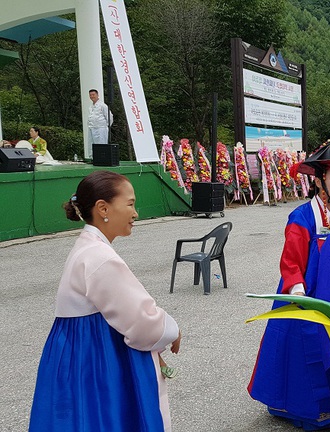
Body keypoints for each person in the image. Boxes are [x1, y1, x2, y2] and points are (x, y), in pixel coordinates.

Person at [29, 171, 181, 431]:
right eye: (130, 204)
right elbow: (140, 319)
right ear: (103, 208)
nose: (135, 213)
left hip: (78, 351)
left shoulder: (87, 248)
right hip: (98, 354)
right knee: (107, 416)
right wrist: (172, 331)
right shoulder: (100, 257)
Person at [249, 141, 330, 430]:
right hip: (307, 293)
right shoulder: (301, 216)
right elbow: (291, 262)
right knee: (304, 347)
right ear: (318, 181)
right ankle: (298, 407)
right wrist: (298, 290)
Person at [87, 89, 113, 158]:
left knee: (101, 143)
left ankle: (102, 158)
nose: (92, 96)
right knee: (92, 144)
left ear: (97, 95)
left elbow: (109, 116)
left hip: (101, 128)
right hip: (92, 127)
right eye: (90, 95)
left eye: (93, 95)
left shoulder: (103, 105)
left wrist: (106, 126)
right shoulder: (91, 106)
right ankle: (93, 158)